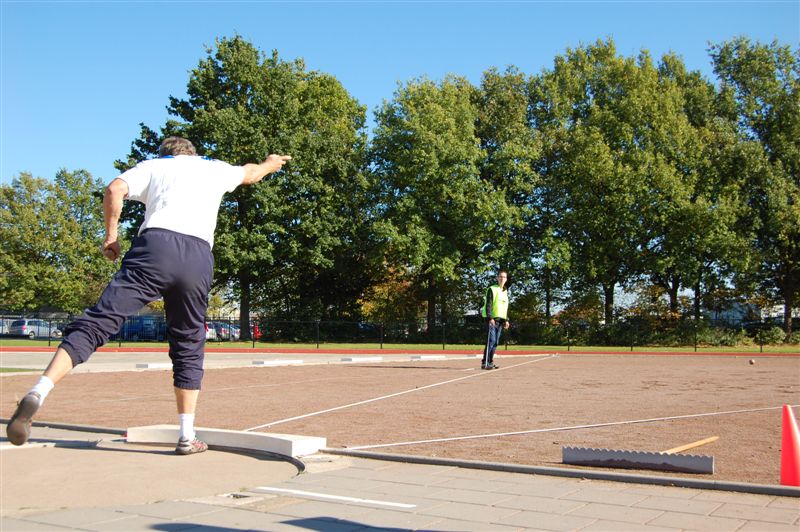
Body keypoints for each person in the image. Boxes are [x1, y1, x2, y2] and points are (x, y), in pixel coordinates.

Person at [6, 137, 291, 455]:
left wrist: (111, 237)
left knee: (101, 320)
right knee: (188, 342)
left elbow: (115, 189)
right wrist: (270, 163)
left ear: (165, 155)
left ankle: (39, 391)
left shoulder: (153, 166)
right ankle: (186, 435)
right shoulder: (215, 169)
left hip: (155, 248)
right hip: (198, 256)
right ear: (192, 154)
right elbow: (251, 173)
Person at [480, 270, 510, 370]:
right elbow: (489, 304)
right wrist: (490, 318)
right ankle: (485, 362)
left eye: (504, 277)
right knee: (491, 341)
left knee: (496, 342)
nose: (502, 279)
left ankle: (490, 361)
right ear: (497, 278)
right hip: (492, 320)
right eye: (500, 277)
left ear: (506, 279)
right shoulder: (492, 289)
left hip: (501, 321)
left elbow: (504, 307)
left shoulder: (505, 291)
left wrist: (506, 320)